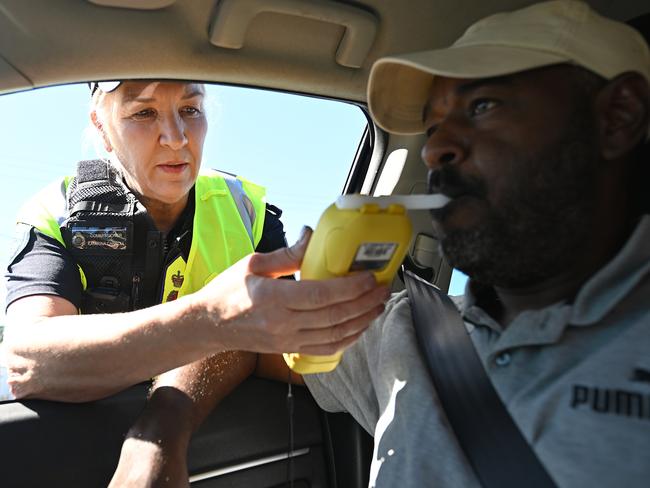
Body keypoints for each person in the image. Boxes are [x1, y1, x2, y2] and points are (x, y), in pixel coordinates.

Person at [257, 1, 650, 487]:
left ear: (618, 115)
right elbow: (250, 338)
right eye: (433, 126)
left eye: (483, 106)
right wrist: (164, 423)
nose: (433, 148)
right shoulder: (408, 329)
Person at [2, 80, 390, 486]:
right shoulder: (53, 213)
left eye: (190, 109)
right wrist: (211, 319)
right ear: (100, 126)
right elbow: (29, 362)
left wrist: (163, 426)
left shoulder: (247, 210)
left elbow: (283, 352)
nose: (176, 138)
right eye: (144, 113)